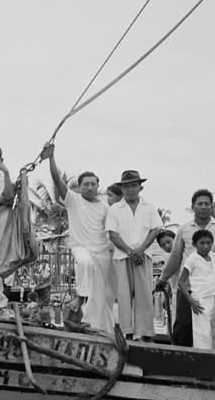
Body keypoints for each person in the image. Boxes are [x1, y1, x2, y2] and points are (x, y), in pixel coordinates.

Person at [41, 142, 114, 333]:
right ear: (79, 187)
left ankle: (101, 329)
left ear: (98, 186)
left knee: (101, 296)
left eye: (93, 184)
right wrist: (51, 157)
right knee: (85, 263)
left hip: (102, 251)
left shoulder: (106, 207)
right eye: (85, 184)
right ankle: (80, 299)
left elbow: (111, 231)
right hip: (81, 247)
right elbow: (57, 180)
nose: (89, 187)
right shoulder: (73, 200)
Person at [156, 189, 215, 347]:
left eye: (207, 204)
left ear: (212, 207)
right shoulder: (184, 229)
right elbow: (176, 257)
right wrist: (163, 279)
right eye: (200, 204)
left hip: (213, 288)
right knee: (184, 325)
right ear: (193, 206)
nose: (203, 207)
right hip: (189, 287)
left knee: (214, 325)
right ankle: (181, 358)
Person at [105, 170, 163, 340]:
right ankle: (127, 331)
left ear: (140, 187)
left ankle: (145, 332)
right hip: (123, 256)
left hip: (143, 256)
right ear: (122, 190)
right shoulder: (115, 209)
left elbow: (155, 229)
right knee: (124, 295)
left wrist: (141, 249)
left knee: (144, 295)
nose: (130, 189)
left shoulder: (149, 207)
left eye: (133, 186)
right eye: (127, 187)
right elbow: (113, 234)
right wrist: (131, 252)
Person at [177, 229, 215, 350]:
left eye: (208, 243)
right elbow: (181, 282)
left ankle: (213, 358)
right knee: (202, 333)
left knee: (214, 331)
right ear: (194, 244)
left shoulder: (213, 256)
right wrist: (191, 301)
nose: (205, 246)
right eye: (202, 243)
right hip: (201, 299)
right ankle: (202, 360)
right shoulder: (192, 259)